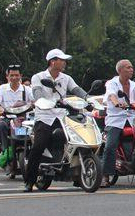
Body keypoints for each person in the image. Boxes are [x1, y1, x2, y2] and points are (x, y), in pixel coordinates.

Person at [25, 49, 88, 192]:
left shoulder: (66, 78)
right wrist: (42, 101)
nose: (64, 63)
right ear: (53, 61)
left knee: (79, 141)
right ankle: (29, 181)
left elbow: (77, 90)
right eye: (62, 60)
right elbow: (37, 93)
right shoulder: (38, 77)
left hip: (62, 117)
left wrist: (88, 98)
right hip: (45, 117)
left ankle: (78, 176)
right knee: (38, 146)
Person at [101, 60, 135, 188]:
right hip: (115, 119)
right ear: (120, 70)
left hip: (133, 119)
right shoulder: (112, 83)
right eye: (128, 67)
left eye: (132, 67)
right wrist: (116, 103)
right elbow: (111, 95)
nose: (131, 69)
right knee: (110, 146)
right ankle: (105, 175)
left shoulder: (134, 85)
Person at [0, 65, 33, 169]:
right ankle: (5, 150)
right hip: (8, 119)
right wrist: (0, 108)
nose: (14, 78)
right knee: (0, 125)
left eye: (16, 75)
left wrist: (34, 104)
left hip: (24, 120)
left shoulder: (27, 89)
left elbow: (34, 100)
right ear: (7, 76)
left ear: (20, 76)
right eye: (11, 75)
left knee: (35, 130)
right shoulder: (2, 89)